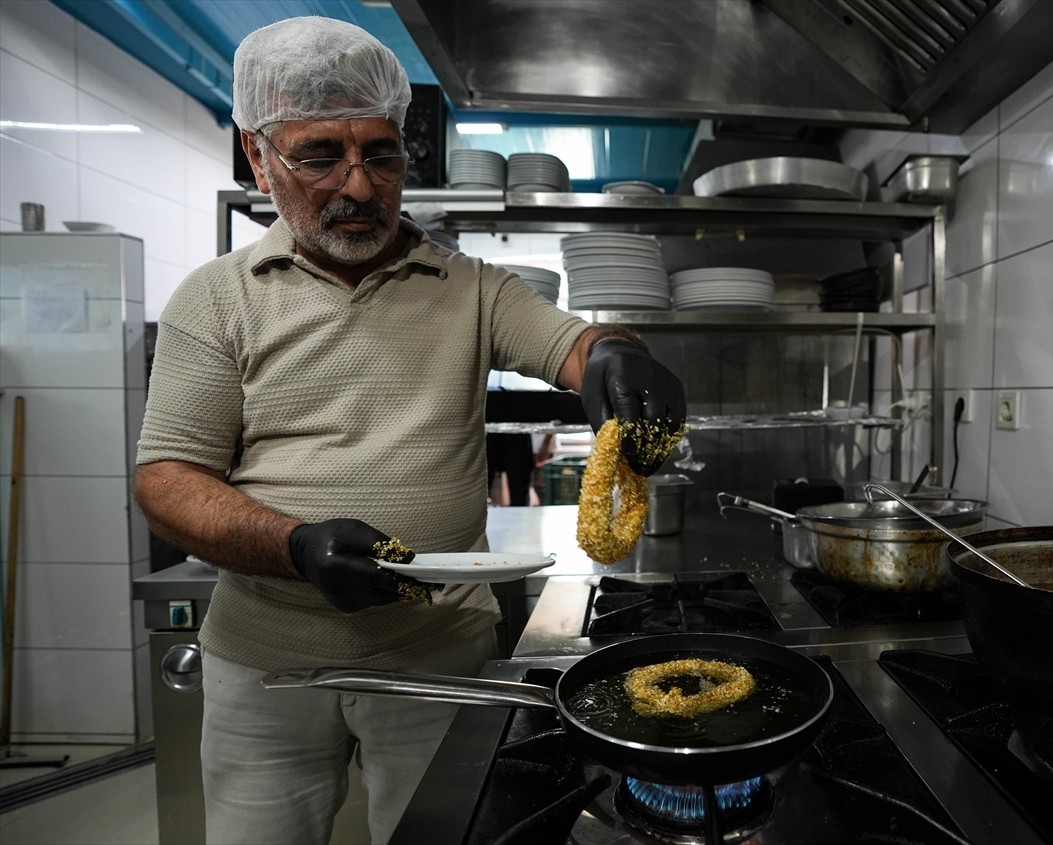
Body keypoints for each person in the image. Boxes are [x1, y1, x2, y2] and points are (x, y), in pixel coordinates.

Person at [133, 16, 685, 845]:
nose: (357, 186)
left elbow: (572, 344)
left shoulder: (469, 288)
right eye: (320, 154)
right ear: (259, 156)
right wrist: (295, 545)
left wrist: (616, 356)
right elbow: (167, 484)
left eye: (380, 154)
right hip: (267, 664)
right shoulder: (218, 299)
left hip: (440, 657)